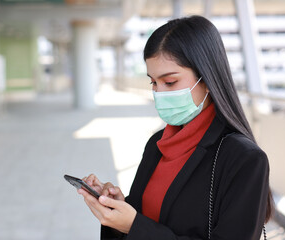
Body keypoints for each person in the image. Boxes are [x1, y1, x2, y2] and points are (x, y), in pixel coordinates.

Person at [77, 15, 273, 240]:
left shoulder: (244, 159)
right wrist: (118, 212)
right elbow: (144, 220)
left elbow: (141, 228)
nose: (159, 93)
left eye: (170, 82)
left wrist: (134, 226)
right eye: (153, 82)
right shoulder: (157, 144)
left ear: (207, 79)